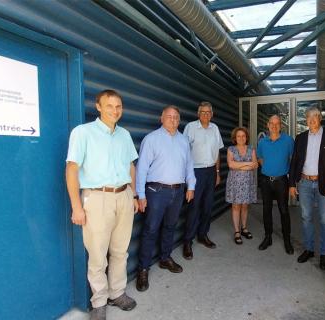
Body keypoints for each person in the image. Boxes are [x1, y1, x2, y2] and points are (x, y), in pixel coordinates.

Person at [66, 89, 139, 320]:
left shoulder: (124, 135)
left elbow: (131, 167)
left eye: (118, 106)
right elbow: (71, 169)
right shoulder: (83, 132)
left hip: (124, 196)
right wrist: (77, 207)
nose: (115, 111)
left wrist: (134, 195)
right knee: (97, 255)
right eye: (109, 106)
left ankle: (117, 293)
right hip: (96, 199)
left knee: (120, 251)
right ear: (98, 106)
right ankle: (99, 301)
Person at [135, 105, 196, 292]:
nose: (173, 120)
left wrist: (191, 186)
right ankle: (143, 269)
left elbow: (189, 166)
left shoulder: (183, 140)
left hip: (177, 191)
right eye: (169, 117)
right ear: (162, 118)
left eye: (176, 117)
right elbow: (142, 169)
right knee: (151, 229)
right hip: (156, 191)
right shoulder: (151, 139)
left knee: (170, 226)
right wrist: (141, 195)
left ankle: (165, 258)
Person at [289, 106, 325, 270]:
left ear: (320, 118)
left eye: (315, 116)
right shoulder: (300, 138)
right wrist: (292, 183)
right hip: (304, 183)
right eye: (308, 117)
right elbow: (294, 162)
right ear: (305, 120)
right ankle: (309, 249)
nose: (311, 120)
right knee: (306, 217)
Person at [182, 101, 224, 260]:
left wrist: (218, 172)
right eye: (203, 112)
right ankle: (188, 241)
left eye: (209, 112)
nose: (206, 114)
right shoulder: (190, 128)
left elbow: (217, 152)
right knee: (193, 207)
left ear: (212, 114)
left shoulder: (215, 128)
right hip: (195, 172)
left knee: (207, 206)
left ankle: (202, 234)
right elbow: (184, 153)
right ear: (198, 113)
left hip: (211, 171)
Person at [256, 115, 294, 255]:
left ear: (281, 125)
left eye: (277, 123)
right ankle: (268, 237)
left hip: (281, 181)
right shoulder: (263, 142)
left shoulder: (288, 140)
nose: (274, 126)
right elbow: (259, 157)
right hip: (266, 181)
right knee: (266, 210)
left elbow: (293, 158)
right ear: (267, 125)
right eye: (272, 123)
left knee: (284, 211)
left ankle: (287, 240)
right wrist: (265, 166)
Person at [226, 127, 258, 244]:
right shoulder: (231, 149)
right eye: (238, 136)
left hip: (248, 182)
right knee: (236, 206)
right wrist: (247, 163)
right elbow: (231, 165)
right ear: (235, 138)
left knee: (245, 206)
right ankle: (237, 231)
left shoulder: (251, 148)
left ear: (246, 137)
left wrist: (239, 164)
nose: (241, 138)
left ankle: (244, 228)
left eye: (243, 136)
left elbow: (255, 165)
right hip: (235, 182)